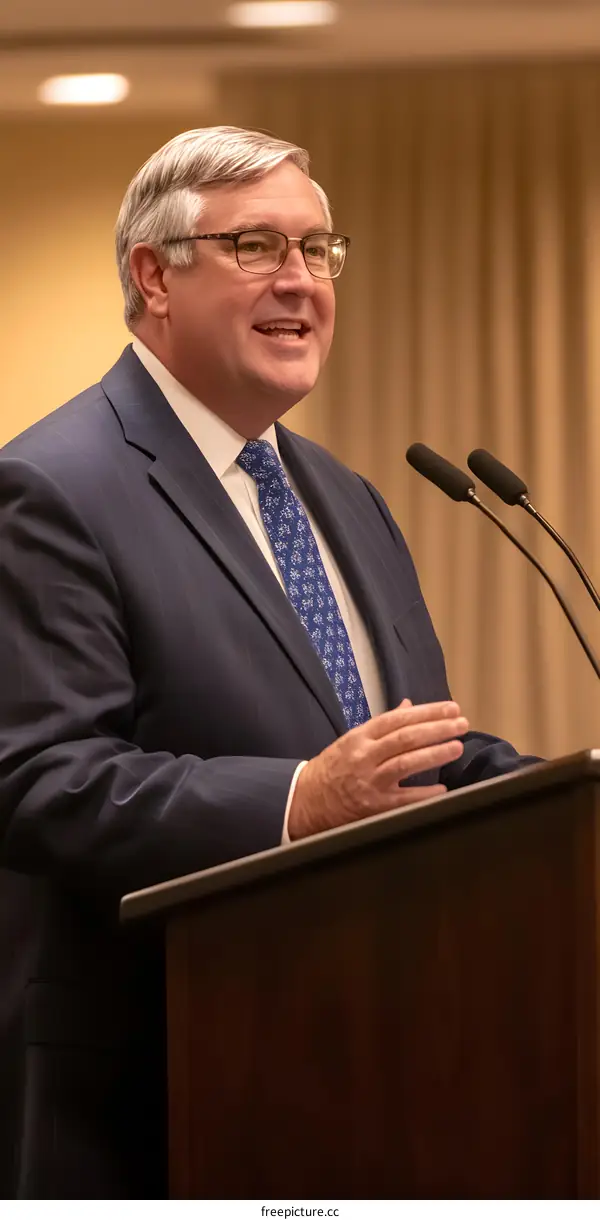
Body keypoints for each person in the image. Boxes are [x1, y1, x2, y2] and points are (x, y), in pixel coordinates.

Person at [0, 126, 539, 1199]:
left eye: (319, 249)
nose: (301, 281)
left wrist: (535, 789)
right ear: (154, 274)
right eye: (257, 246)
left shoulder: (346, 494)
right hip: (156, 1082)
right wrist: (296, 800)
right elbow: (41, 776)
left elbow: (399, 750)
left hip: (371, 1064)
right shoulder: (50, 490)